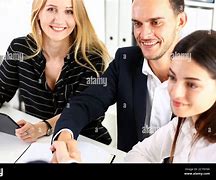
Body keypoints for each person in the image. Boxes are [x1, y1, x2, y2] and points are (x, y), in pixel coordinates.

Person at [51, 30, 216, 163]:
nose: (175, 92)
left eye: (192, 84)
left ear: (180, 21)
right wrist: (65, 134)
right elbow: (138, 153)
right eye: (172, 77)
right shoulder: (183, 124)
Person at [52, 0, 187, 153]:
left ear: (180, 21)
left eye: (156, 22)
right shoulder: (125, 60)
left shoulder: (204, 72)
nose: (144, 34)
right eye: (137, 24)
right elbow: (87, 102)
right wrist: (65, 133)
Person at [0, 0, 112, 144]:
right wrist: (38, 129)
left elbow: (83, 111)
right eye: (51, 9)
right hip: (35, 142)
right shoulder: (19, 49)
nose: (59, 20)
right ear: (38, 12)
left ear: (78, 17)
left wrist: (42, 127)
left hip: (83, 142)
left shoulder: (91, 59)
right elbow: (2, 90)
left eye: (69, 11)